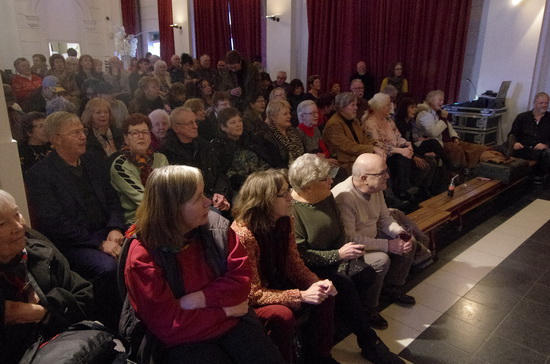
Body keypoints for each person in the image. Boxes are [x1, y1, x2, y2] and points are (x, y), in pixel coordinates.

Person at [124, 165, 284, 364]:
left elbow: (241, 283)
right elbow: (169, 326)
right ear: (172, 207)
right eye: (198, 197)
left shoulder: (217, 227)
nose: (208, 202)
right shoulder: (142, 253)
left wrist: (197, 299)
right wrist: (226, 311)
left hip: (229, 323)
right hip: (183, 339)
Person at [288, 155, 406, 363]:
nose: (331, 181)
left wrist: (341, 259)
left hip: (334, 258)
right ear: (307, 186)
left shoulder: (325, 197)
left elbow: (341, 231)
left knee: (365, 274)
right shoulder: (293, 211)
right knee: (346, 285)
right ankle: (370, 343)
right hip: (309, 266)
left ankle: (346, 320)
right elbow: (300, 255)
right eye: (325, 179)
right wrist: (338, 256)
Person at [25, 111, 126, 329]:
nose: (83, 136)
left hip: (106, 233)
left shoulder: (94, 161)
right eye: (75, 132)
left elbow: (112, 199)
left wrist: (115, 228)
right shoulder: (41, 175)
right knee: (108, 268)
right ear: (56, 139)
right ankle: (113, 325)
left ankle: (142, 314)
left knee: (143, 248)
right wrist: (99, 243)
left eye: (83, 130)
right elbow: (55, 223)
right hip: (75, 243)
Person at [231, 170, 340, 364]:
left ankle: (320, 356)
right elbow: (253, 294)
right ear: (265, 200)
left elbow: (293, 264)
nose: (291, 197)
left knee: (325, 294)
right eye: (284, 194)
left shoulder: (285, 219)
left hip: (275, 282)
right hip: (249, 300)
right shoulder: (243, 234)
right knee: (282, 315)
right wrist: (301, 295)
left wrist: (316, 283)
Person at [0, 189, 94, 363]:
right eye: (1, 224)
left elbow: (84, 296)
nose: (18, 227)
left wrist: (40, 312)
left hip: (68, 350)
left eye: (17, 214)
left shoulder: (38, 248)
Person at [332, 153, 416, 329]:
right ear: (364, 178)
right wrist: (388, 245)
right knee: (381, 259)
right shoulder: (344, 197)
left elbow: (384, 218)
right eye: (382, 173)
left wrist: (399, 233)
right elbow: (350, 239)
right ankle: (368, 307)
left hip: (372, 236)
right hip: (351, 249)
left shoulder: (376, 188)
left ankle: (391, 287)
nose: (388, 176)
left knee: (409, 241)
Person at [159, 107, 231, 211]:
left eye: (195, 122)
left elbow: (219, 173)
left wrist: (220, 193)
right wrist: (210, 199)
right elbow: (179, 189)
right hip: (189, 204)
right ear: (176, 128)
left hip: (214, 197)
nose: (195, 126)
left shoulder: (205, 146)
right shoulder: (167, 152)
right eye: (189, 123)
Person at [110, 114, 168, 224]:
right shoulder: (120, 165)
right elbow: (142, 199)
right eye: (135, 133)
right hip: (137, 220)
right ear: (126, 138)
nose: (141, 136)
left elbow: (167, 190)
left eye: (145, 132)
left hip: (163, 213)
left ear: (150, 137)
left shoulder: (161, 158)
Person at [416, 90, 488, 170]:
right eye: (439, 100)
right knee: (456, 150)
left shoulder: (439, 112)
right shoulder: (424, 114)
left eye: (442, 100)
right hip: (440, 143)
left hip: (450, 141)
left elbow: (450, 128)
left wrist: (455, 137)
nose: (442, 102)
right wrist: (443, 118)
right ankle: (459, 173)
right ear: (431, 100)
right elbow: (433, 132)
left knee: (479, 148)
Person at [363, 93, 415, 201]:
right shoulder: (370, 123)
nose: (391, 107)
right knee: (401, 157)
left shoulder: (388, 120)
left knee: (405, 155)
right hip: (380, 154)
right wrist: (400, 150)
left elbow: (397, 136)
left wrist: (406, 143)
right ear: (380, 107)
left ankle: (404, 191)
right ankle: (396, 195)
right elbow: (378, 145)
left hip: (394, 152)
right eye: (388, 105)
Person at [211, 107, 270, 194]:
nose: (239, 125)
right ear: (223, 127)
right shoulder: (218, 146)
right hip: (239, 188)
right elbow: (225, 172)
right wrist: (249, 181)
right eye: (233, 122)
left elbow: (264, 160)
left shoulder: (250, 139)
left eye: (239, 121)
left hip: (261, 181)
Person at [394, 97, 440, 197]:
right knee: (425, 165)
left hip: (410, 152)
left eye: (415, 107)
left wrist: (423, 154)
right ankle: (411, 191)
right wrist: (415, 157)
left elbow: (411, 143)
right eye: (412, 107)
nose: (415, 110)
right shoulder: (398, 123)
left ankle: (424, 189)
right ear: (404, 109)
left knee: (432, 161)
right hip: (400, 155)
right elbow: (401, 145)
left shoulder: (409, 123)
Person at [322, 92, 378, 175]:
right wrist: (372, 149)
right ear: (342, 107)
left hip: (357, 157)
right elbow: (348, 146)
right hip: (344, 162)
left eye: (356, 105)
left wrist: (372, 150)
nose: (356, 108)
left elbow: (365, 138)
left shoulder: (354, 121)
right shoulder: (334, 124)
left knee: (380, 165)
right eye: (352, 105)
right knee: (375, 170)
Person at [508, 91, 550, 184]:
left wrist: (546, 145)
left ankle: (541, 177)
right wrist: (515, 143)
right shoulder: (522, 117)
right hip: (524, 149)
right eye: (541, 103)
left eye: (546, 103)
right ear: (534, 103)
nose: (544, 105)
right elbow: (512, 134)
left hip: (541, 151)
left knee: (547, 153)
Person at [258, 99, 306, 168]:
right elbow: (275, 165)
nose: (289, 116)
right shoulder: (268, 137)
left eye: (289, 113)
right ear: (273, 117)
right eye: (285, 114)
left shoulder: (295, 132)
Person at [295, 100, 338, 167]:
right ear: (303, 116)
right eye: (312, 113)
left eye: (316, 112)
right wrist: (319, 158)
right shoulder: (297, 133)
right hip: (308, 167)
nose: (316, 116)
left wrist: (322, 157)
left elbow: (326, 151)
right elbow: (301, 158)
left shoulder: (315, 129)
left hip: (320, 163)